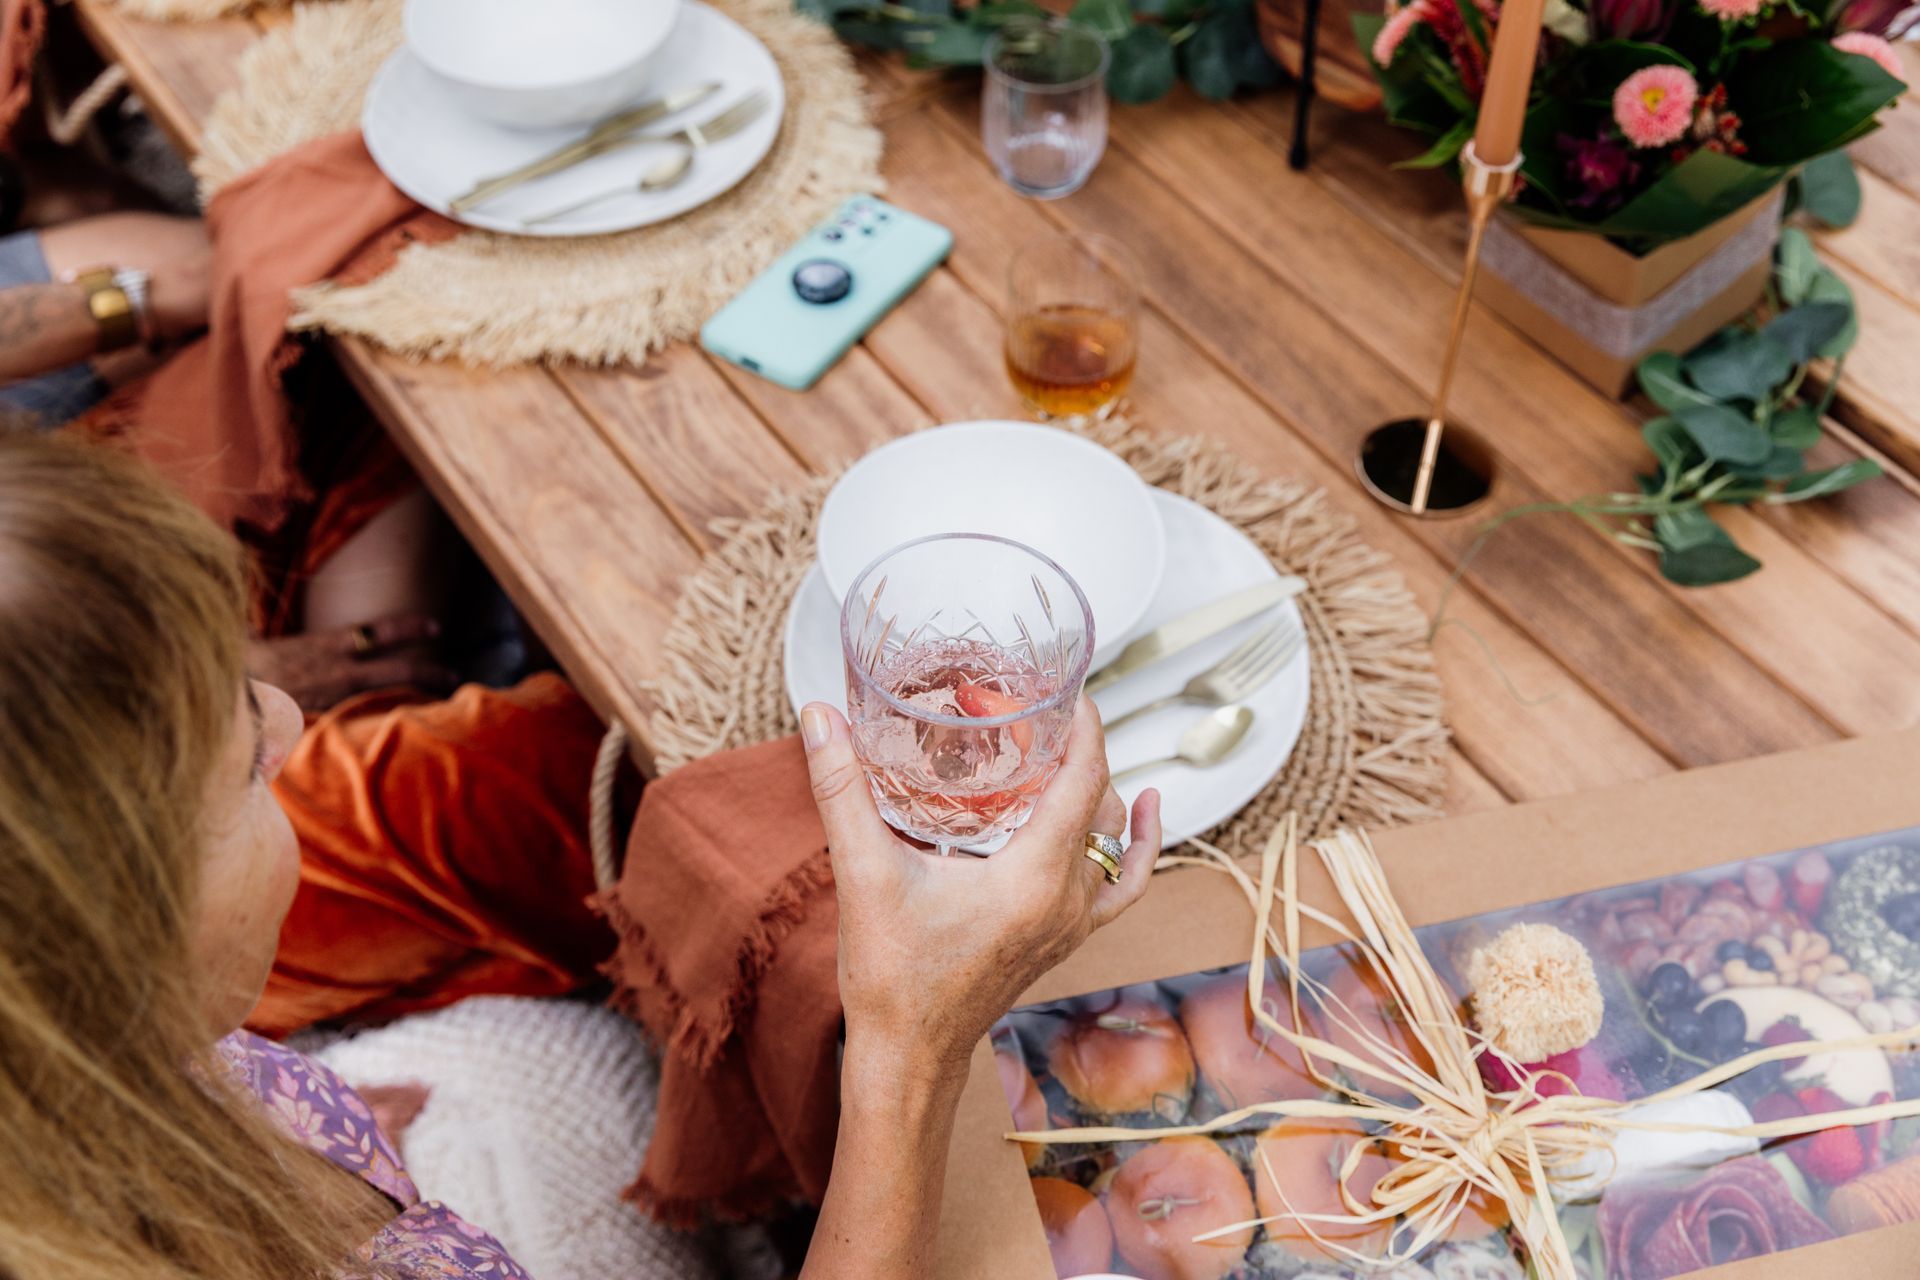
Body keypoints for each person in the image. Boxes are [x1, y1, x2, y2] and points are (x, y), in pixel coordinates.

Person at [0, 430, 1162, 1278]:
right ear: (101, 935)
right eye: (242, 759)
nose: (293, 720)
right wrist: (913, 1048)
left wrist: (296, 1130)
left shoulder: (81, 1085)